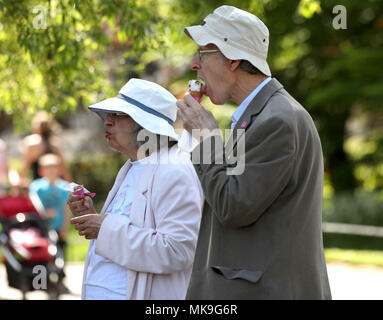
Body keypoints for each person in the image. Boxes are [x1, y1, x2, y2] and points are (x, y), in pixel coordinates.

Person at [176, 5, 332, 299]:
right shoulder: (264, 115)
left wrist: (208, 139)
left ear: (232, 59)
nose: (194, 64)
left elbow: (234, 207)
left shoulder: (278, 120)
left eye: (202, 53)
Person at [67, 78, 203, 300]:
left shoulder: (174, 170)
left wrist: (104, 227)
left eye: (118, 115)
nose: (107, 122)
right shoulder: (133, 165)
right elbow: (129, 228)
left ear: (147, 125)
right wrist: (91, 218)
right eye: (108, 115)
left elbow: (177, 251)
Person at [29, 153, 71, 294]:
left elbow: (67, 208)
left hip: (58, 227)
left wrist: (65, 227)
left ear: (59, 169)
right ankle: (41, 281)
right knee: (43, 256)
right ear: (41, 170)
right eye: (48, 168)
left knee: (61, 254)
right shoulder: (36, 187)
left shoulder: (64, 187)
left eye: (54, 168)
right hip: (42, 229)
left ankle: (60, 281)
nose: (51, 171)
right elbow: (32, 205)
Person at [20, 110, 72, 183]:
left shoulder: (31, 143)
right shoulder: (55, 143)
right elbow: (65, 170)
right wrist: (70, 187)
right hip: (56, 187)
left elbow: (25, 169)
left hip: (39, 188)